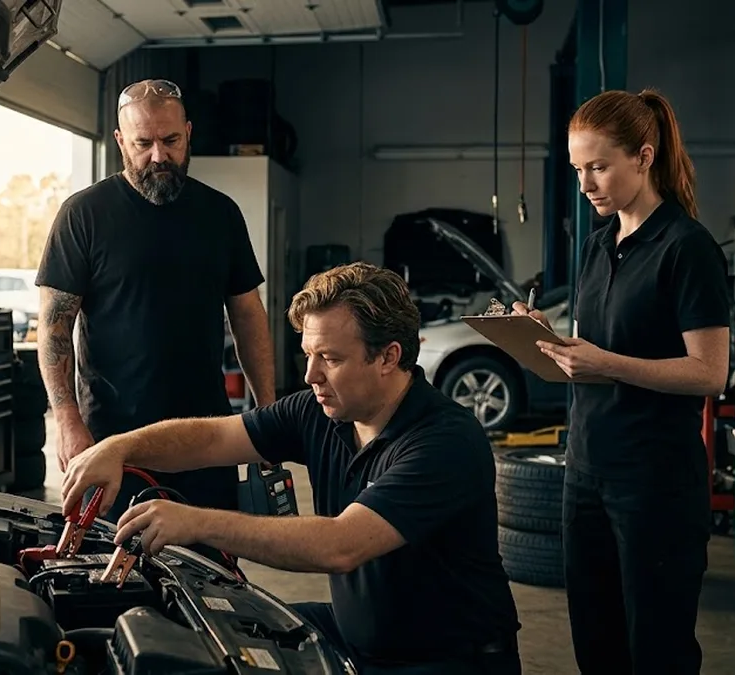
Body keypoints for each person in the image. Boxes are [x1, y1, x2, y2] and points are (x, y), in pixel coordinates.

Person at [62, 262, 522, 675]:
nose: (310, 375)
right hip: (359, 635)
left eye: (332, 359)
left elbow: (340, 545)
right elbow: (214, 437)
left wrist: (195, 522)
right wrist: (119, 448)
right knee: (213, 631)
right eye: (309, 354)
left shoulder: (445, 441)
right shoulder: (319, 411)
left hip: (449, 660)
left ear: (389, 357)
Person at [513, 88, 732, 674]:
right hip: (585, 472)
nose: (586, 184)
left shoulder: (687, 249)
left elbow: (711, 373)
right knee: (597, 643)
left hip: (654, 483)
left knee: (656, 650)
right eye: (578, 169)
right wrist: (540, 336)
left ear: (643, 155)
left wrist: (607, 363)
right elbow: (591, 350)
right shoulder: (596, 246)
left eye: (599, 167)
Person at [35, 78, 276, 521]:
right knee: (115, 574)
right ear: (120, 141)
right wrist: (67, 421)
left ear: (189, 132)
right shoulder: (84, 215)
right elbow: (53, 328)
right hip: (112, 440)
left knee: (213, 570)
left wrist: (267, 411)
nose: (159, 156)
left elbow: (248, 314)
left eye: (170, 140)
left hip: (207, 438)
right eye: (143, 143)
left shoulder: (220, 214)